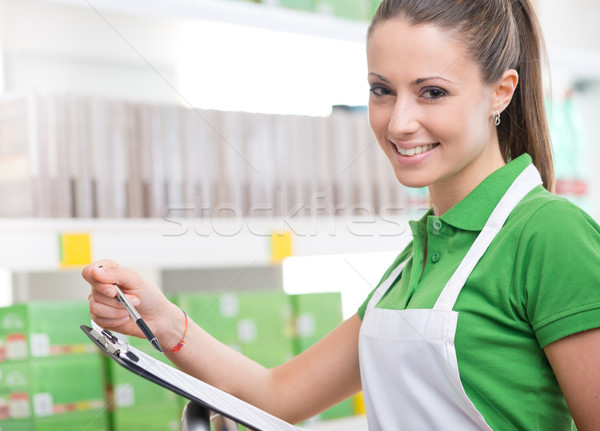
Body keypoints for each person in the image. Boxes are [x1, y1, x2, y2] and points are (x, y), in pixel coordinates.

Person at [83, 0, 600, 429]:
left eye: (432, 92)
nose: (399, 122)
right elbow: (277, 395)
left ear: (500, 92)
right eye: (382, 90)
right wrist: (163, 320)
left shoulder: (548, 235)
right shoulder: (415, 263)